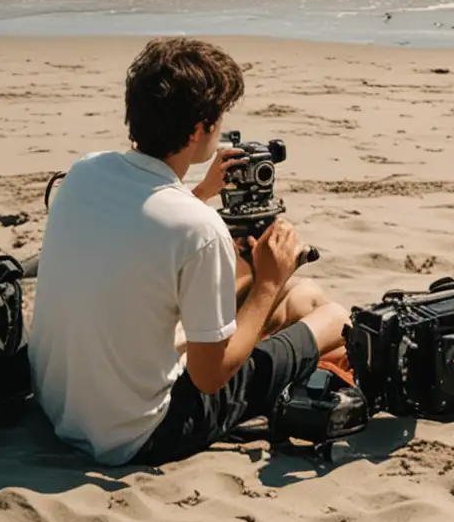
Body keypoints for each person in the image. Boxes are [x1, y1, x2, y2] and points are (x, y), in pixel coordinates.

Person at [29, 38, 349, 465]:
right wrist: (270, 282)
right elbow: (210, 377)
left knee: (288, 294)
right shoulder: (197, 229)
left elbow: (142, 229)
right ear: (199, 129)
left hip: (59, 407)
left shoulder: (85, 172)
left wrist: (197, 193)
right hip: (138, 433)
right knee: (327, 311)